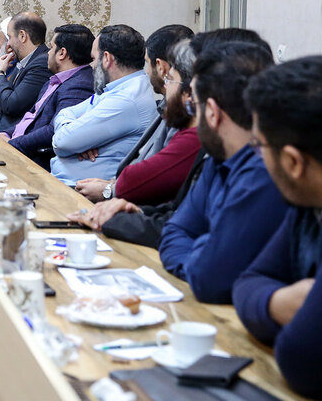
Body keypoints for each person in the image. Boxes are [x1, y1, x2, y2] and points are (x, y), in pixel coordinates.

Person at [70, 28, 275, 247]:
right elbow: (181, 216)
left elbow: (204, 251)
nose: (168, 86)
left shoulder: (252, 168)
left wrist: (116, 211)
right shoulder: (219, 156)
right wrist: (133, 214)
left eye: (172, 80)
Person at [158, 42, 288, 304]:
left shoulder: (262, 173)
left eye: (193, 107)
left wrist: (205, 253)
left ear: (212, 113)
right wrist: (207, 251)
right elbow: (174, 232)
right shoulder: (217, 159)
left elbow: (210, 279)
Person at [233, 57, 322, 400]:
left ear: (293, 162)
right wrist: (279, 302)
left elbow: (301, 359)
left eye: (259, 146)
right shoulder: (307, 203)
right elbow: (248, 282)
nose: (257, 157)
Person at [75, 24, 194, 202]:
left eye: (172, 79)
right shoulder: (164, 105)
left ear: (161, 67)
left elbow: (161, 176)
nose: (146, 72)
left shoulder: (183, 115)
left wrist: (109, 191)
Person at [50, 25, 158, 184]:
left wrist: (76, 137)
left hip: (77, 190)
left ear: (107, 58)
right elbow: (64, 113)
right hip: (65, 182)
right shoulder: (115, 88)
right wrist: (77, 136)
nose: (92, 66)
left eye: (94, 59)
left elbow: (61, 142)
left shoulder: (126, 99)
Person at [0, 24, 94, 168]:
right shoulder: (56, 79)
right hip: (15, 146)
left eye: (51, 48)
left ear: (62, 53)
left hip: (30, 160)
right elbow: (32, 117)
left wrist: (11, 144)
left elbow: (54, 130)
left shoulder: (80, 85)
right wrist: (6, 134)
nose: (48, 53)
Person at [0, 12, 52, 134]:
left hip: (12, 139)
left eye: (10, 37)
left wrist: (0, 72)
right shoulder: (26, 60)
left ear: (22, 36)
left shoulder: (41, 64)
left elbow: (11, 105)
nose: (8, 44)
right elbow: (8, 109)